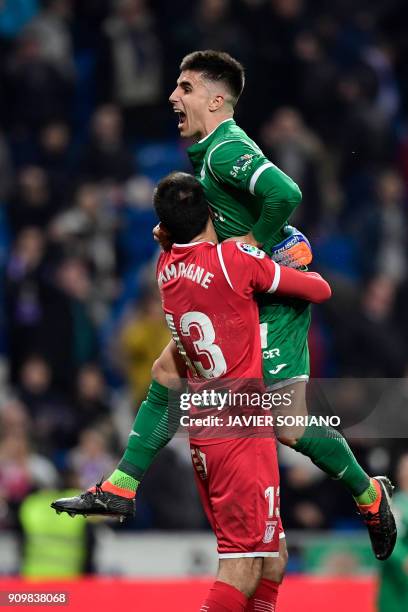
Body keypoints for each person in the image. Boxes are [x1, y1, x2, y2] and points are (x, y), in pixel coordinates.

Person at [52, 50, 396, 562]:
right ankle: (122, 487)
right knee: (168, 369)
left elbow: (285, 191)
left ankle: (369, 496)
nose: (173, 97)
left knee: (289, 425)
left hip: (272, 295)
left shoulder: (225, 149)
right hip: (242, 288)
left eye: (185, 88)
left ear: (216, 99)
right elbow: (229, 215)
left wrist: (252, 247)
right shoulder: (210, 152)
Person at [55, 171, 332, 611]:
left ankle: (123, 482)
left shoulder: (166, 266)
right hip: (241, 430)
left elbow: (170, 232)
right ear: (211, 212)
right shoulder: (233, 261)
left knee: (272, 558)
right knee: (241, 566)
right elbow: (319, 289)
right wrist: (281, 258)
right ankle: (122, 483)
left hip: (206, 429)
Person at [377, 453, 408, 612]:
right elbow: (387, 539)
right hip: (398, 583)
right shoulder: (396, 505)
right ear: (401, 473)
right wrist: (405, 560)